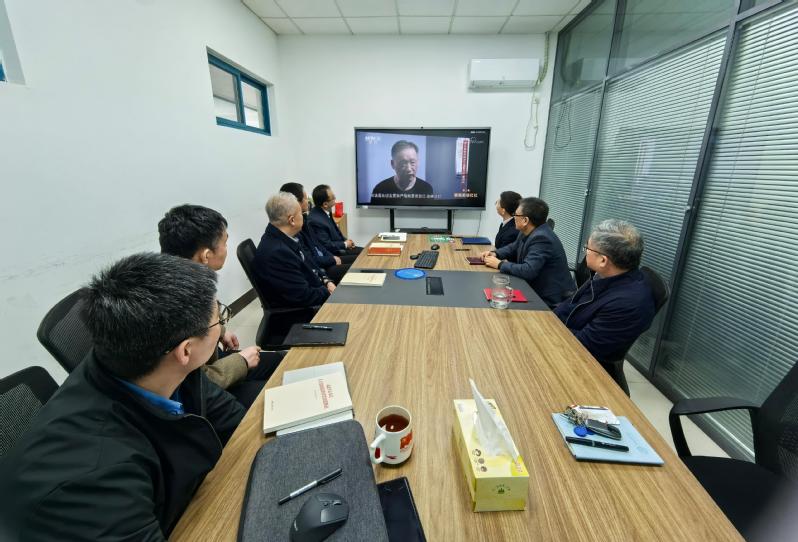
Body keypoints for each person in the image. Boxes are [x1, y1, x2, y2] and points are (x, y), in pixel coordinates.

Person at [0, 253, 245, 540]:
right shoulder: (94, 483)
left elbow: (236, 422)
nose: (222, 327)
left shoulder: (156, 362)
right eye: (220, 318)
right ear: (186, 350)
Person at [158, 204, 282, 408]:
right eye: (225, 242)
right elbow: (190, 385)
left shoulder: (175, 278)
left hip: (208, 365)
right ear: (206, 255)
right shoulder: (177, 304)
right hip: (198, 392)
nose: (226, 248)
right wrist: (241, 361)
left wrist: (221, 331)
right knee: (274, 394)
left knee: (278, 361)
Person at [554, 219, 656, 392]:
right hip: (566, 336)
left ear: (603, 260)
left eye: (588, 249)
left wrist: (548, 328)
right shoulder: (607, 275)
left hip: (585, 369)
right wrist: (549, 318)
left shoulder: (628, 304)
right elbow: (572, 304)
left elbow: (582, 347)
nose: (585, 253)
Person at [481, 197, 574, 308]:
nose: (514, 217)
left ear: (525, 220)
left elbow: (528, 270)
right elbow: (513, 247)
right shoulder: (529, 230)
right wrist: (496, 254)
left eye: (516, 215)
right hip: (533, 287)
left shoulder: (542, 238)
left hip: (549, 300)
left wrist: (499, 264)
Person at [254, 192, 335, 314]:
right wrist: (327, 291)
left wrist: (326, 281)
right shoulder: (278, 253)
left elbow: (310, 265)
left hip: (316, 289)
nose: (304, 216)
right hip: (304, 313)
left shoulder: (285, 237)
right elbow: (304, 296)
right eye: (301, 213)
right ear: (292, 220)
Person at [280, 182, 352, 283]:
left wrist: (331, 257)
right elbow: (309, 259)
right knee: (357, 266)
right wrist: (330, 262)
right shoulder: (296, 230)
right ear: (296, 203)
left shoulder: (304, 220)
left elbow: (317, 245)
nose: (309, 202)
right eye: (306, 199)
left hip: (325, 261)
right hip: (322, 268)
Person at [370, 140, 434, 206]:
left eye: (412, 162)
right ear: (392, 164)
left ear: (418, 162)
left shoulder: (426, 189)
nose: (409, 169)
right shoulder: (380, 189)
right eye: (403, 163)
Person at [307, 184, 362, 257]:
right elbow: (327, 245)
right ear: (325, 204)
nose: (335, 198)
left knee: (366, 251)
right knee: (362, 257)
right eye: (333, 197)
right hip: (333, 255)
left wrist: (346, 241)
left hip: (339, 247)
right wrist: (345, 244)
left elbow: (336, 232)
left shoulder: (326, 210)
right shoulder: (316, 221)